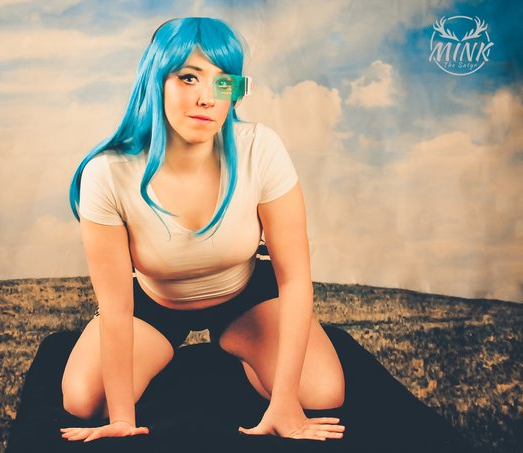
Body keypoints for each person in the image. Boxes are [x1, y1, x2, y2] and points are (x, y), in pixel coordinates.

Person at [61, 17, 345, 443]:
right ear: (155, 81)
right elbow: (116, 305)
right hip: (155, 301)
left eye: (223, 82)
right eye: (188, 77)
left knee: (323, 392)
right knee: (84, 401)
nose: (207, 98)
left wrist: (284, 401)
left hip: (243, 294)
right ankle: (160, 354)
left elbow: (295, 279)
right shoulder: (107, 173)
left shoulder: (260, 148)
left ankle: (245, 351)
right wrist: (122, 418)